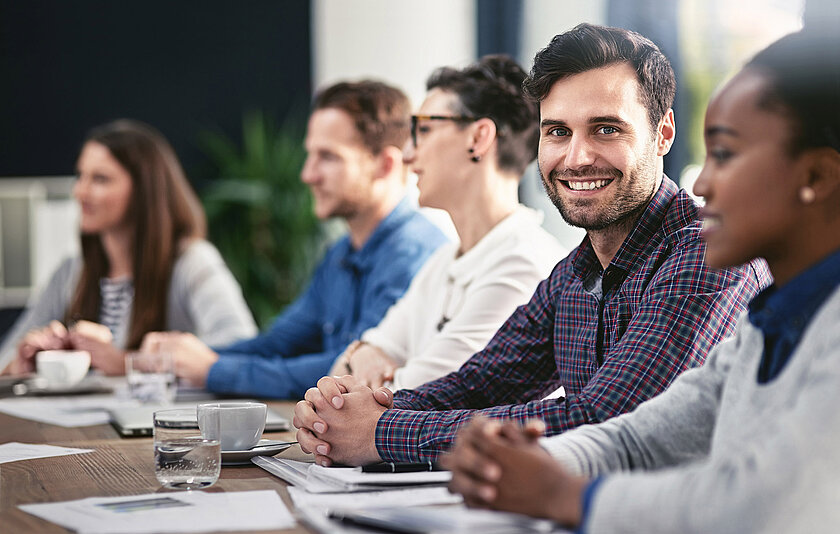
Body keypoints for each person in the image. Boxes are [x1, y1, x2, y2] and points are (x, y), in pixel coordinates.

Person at [292, 23, 772, 466]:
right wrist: (354, 413)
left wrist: (382, 431)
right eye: (558, 132)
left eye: (606, 129)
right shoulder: (574, 274)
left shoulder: (711, 253)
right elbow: (480, 383)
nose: (577, 158)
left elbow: (607, 422)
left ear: (663, 133)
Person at [444, 28, 840, 533]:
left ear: (816, 177)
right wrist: (517, 462)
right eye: (558, 131)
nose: (702, 183)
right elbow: (636, 439)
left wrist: (562, 492)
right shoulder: (764, 328)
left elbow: (758, 504)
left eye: (725, 154)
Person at [142, 80, 449, 399]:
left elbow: (349, 370)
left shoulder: (414, 256)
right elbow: (277, 344)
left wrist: (213, 369)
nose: (308, 174)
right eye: (310, 155)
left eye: (328, 157)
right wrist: (184, 354)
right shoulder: (341, 253)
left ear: (385, 165)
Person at [328, 55, 566, 391]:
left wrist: (366, 369)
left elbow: (423, 398)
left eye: (424, 130)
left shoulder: (522, 265)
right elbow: (341, 373)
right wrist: (361, 352)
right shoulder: (443, 261)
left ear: (478, 138)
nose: (407, 153)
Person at [0, 119, 257, 376]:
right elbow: (5, 357)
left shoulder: (191, 261)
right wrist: (21, 364)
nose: (80, 191)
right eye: (81, 176)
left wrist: (128, 363)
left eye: (100, 179)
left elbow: (239, 346)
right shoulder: (71, 272)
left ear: (144, 189)